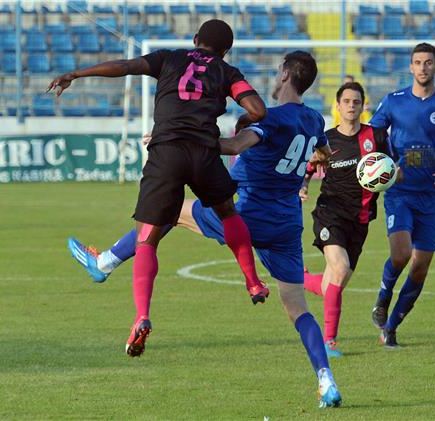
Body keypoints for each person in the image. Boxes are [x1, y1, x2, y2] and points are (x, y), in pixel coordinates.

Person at [67, 51, 342, 408]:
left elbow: (234, 144)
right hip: (286, 222)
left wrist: (173, 140)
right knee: (298, 308)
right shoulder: (313, 120)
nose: (274, 78)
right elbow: (325, 151)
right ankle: (326, 382)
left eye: (278, 72)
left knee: (167, 211)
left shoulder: (272, 119)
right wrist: (314, 159)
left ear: (287, 75)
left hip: (248, 211)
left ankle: (104, 262)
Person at [49, 19, 270, 359]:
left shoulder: (170, 58)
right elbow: (258, 110)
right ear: (226, 50)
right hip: (204, 152)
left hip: (166, 151)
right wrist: (228, 124)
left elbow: (124, 67)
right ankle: (253, 282)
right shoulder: (228, 71)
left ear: (195, 40)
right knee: (228, 212)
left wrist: (76, 75)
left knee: (148, 237)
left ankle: (141, 316)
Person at [369, 43, 435, 348]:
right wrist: (384, 166)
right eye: (417, 62)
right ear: (410, 67)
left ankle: (392, 325)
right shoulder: (393, 102)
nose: (422, 68)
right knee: (400, 254)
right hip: (400, 192)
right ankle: (383, 299)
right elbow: (373, 137)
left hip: (431, 196)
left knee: (420, 266)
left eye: (428, 63)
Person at [299, 82, 392, 357]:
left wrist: (390, 176)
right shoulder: (325, 140)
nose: (351, 106)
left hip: (360, 219)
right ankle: (329, 342)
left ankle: (298, 277)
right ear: (337, 106)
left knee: (332, 284)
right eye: (346, 101)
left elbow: (392, 166)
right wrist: (303, 185)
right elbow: (308, 168)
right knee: (339, 269)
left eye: (356, 102)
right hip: (330, 212)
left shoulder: (376, 136)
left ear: (363, 106)